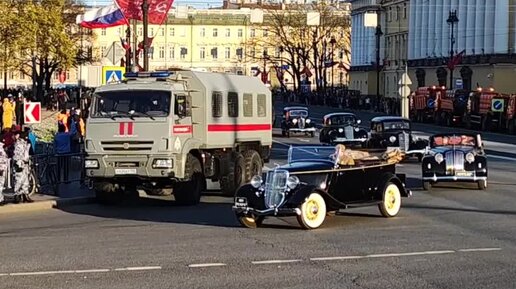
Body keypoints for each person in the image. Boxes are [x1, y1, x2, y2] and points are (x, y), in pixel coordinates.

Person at [12, 129, 33, 203]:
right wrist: (19, 163)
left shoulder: (26, 143)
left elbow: (29, 153)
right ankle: (17, 195)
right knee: (18, 180)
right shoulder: (18, 144)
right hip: (19, 164)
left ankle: (25, 194)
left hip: (26, 164)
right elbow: (16, 154)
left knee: (25, 180)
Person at [0, 141, 8, 206]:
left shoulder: (1, 147)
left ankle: (1, 199)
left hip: (2, 167)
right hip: (1, 168)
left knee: (1, 185)